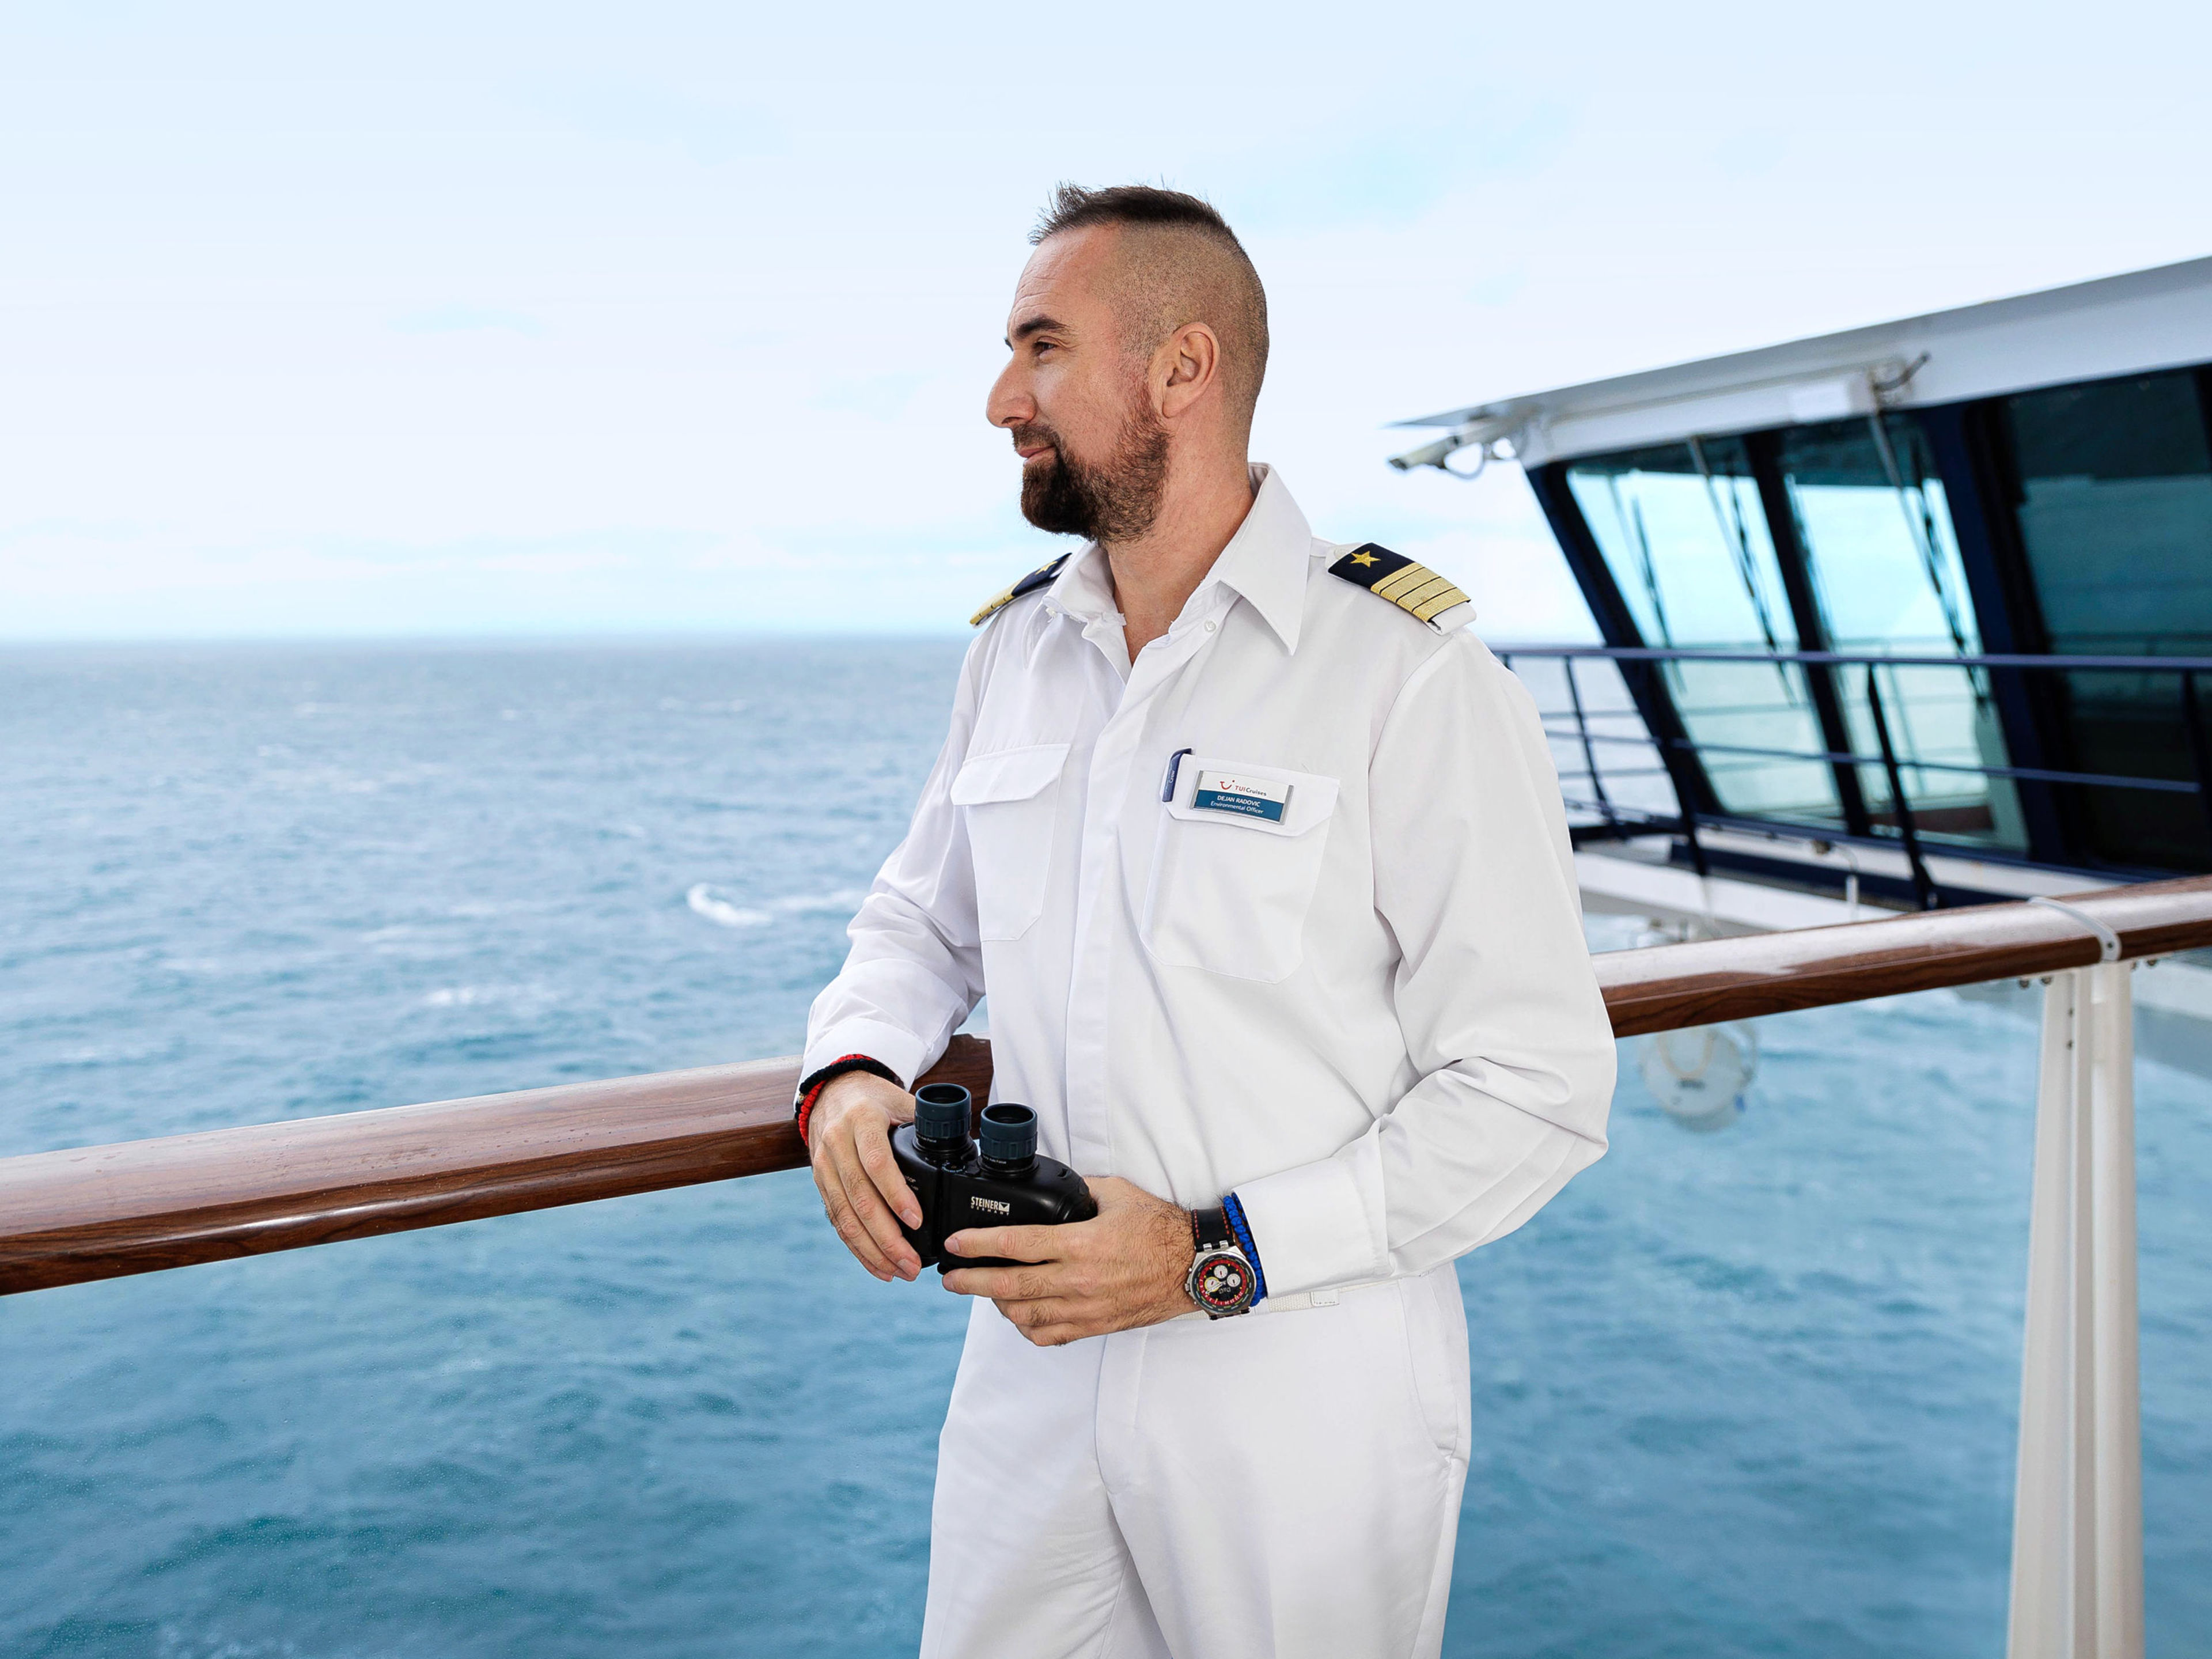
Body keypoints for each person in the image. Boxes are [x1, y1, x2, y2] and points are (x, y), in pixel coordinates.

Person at [795, 183, 1616, 1659]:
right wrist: (852, 1069)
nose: (999, 399)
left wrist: (1204, 1255)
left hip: (1298, 1399)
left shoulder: (1407, 678)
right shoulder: (1017, 654)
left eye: (1041, 349)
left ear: (1184, 368)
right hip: (1030, 1383)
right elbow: (919, 921)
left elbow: (1539, 1092)